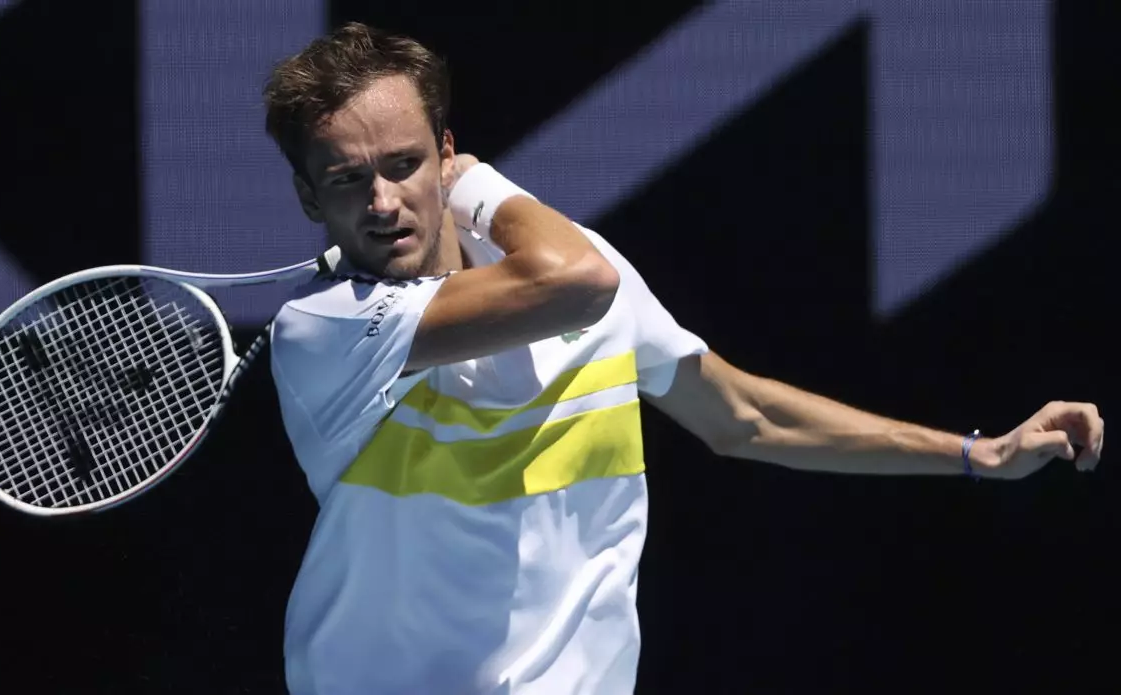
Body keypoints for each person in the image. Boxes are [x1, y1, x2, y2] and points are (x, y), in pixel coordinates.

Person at [261, 22, 1105, 695]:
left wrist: (978, 452)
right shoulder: (325, 328)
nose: (384, 202)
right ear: (307, 195)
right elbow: (577, 280)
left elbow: (746, 415)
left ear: (443, 150)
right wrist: (481, 187)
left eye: (406, 164)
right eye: (347, 179)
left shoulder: (575, 263)